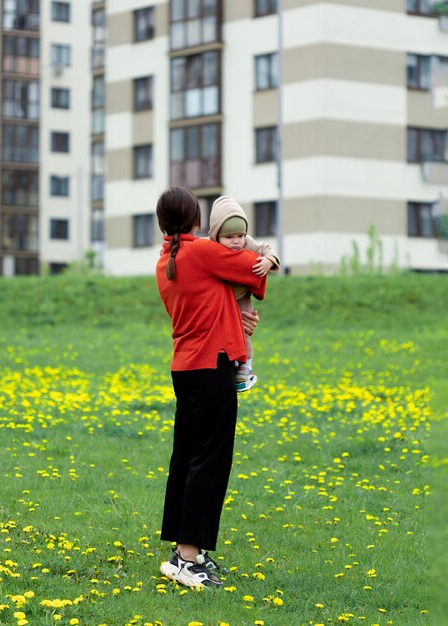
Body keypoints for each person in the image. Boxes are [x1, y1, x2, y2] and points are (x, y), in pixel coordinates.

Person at [155, 186, 267, 588]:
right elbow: (252, 266)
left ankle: (183, 553)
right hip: (211, 366)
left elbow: (209, 300)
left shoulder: (165, 261)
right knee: (210, 460)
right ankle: (188, 558)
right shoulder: (202, 252)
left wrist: (237, 321)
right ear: (198, 221)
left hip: (184, 369)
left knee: (186, 457)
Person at [209, 196, 280, 392]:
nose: (236, 242)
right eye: (229, 237)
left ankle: (246, 367)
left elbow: (266, 249)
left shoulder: (248, 243)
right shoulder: (209, 247)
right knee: (229, 334)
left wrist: (268, 261)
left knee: (243, 329)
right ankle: (233, 364)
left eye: (240, 235)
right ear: (217, 235)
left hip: (241, 298)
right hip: (221, 301)